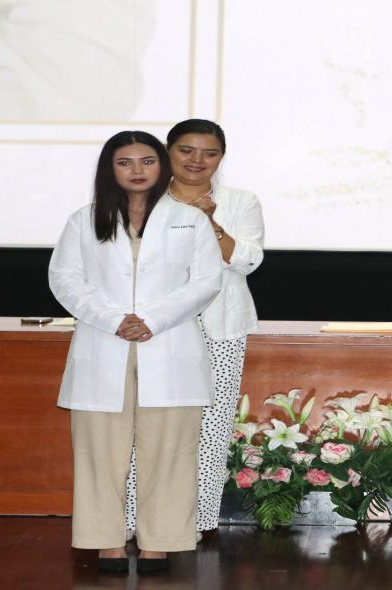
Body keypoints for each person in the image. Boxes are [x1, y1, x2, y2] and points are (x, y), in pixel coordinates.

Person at [48, 130, 222, 574]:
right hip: (103, 343)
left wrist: (152, 319)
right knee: (99, 450)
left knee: (169, 450)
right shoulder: (83, 221)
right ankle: (104, 541)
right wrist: (113, 319)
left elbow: (205, 282)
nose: (137, 170)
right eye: (125, 162)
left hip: (168, 342)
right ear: (110, 169)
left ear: (161, 166)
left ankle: (158, 543)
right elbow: (65, 279)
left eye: (146, 161)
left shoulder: (191, 220)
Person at [124, 119, 265, 537]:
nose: (197, 161)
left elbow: (247, 261)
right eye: (186, 150)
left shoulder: (240, 201)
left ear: (221, 157)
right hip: (156, 327)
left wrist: (210, 222)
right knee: (144, 422)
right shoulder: (144, 198)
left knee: (211, 425)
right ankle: (134, 519)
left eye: (210, 153)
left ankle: (196, 521)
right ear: (168, 151)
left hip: (219, 326)